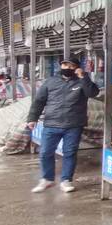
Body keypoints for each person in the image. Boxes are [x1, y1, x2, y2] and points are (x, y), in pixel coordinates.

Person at [27, 59, 99, 193]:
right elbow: (39, 101)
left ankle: (66, 180)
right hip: (51, 123)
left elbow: (93, 93)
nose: (67, 67)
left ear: (77, 68)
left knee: (69, 153)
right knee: (45, 153)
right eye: (65, 65)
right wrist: (32, 118)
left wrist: (84, 77)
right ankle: (47, 179)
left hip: (73, 125)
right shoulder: (50, 82)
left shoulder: (82, 81)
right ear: (61, 66)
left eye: (71, 66)